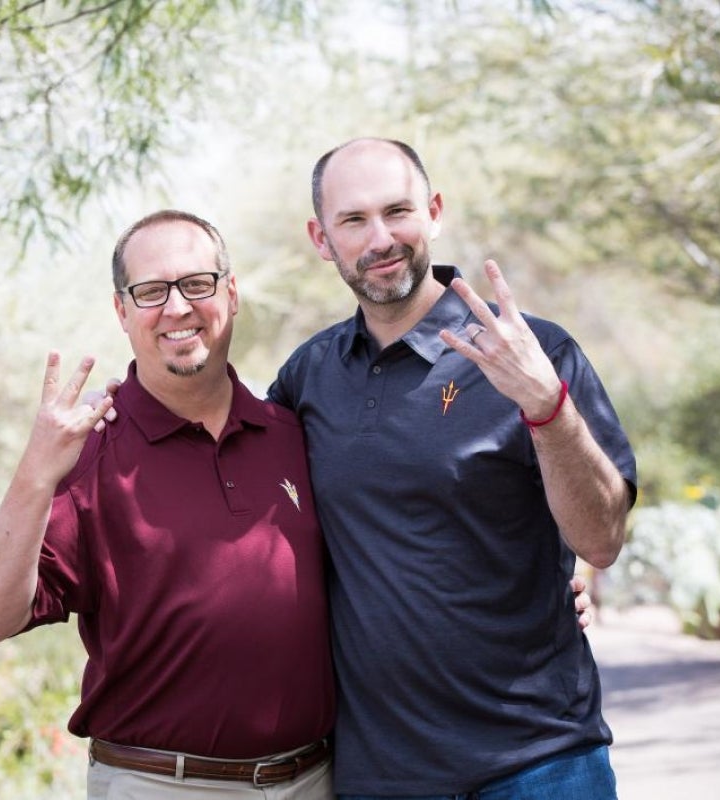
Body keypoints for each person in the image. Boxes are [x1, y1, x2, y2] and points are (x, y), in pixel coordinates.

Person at [267, 137, 637, 799]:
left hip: (542, 761)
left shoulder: (535, 350)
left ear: (434, 211)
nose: (380, 238)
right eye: (353, 220)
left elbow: (602, 539)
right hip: (385, 775)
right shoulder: (308, 377)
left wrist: (546, 409)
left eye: (398, 211)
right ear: (321, 239)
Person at [0, 210, 337, 798]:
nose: (178, 307)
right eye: (152, 291)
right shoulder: (88, 451)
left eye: (197, 284)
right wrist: (35, 473)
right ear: (122, 312)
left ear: (230, 294)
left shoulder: (289, 431)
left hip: (314, 778)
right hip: (162, 784)